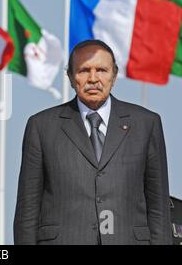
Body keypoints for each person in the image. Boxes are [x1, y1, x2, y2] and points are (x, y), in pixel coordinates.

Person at [14, 39, 172, 245]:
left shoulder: (146, 124)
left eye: (102, 70)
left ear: (114, 75)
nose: (93, 78)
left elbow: (158, 206)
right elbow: (28, 210)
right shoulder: (41, 126)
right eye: (83, 71)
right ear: (70, 77)